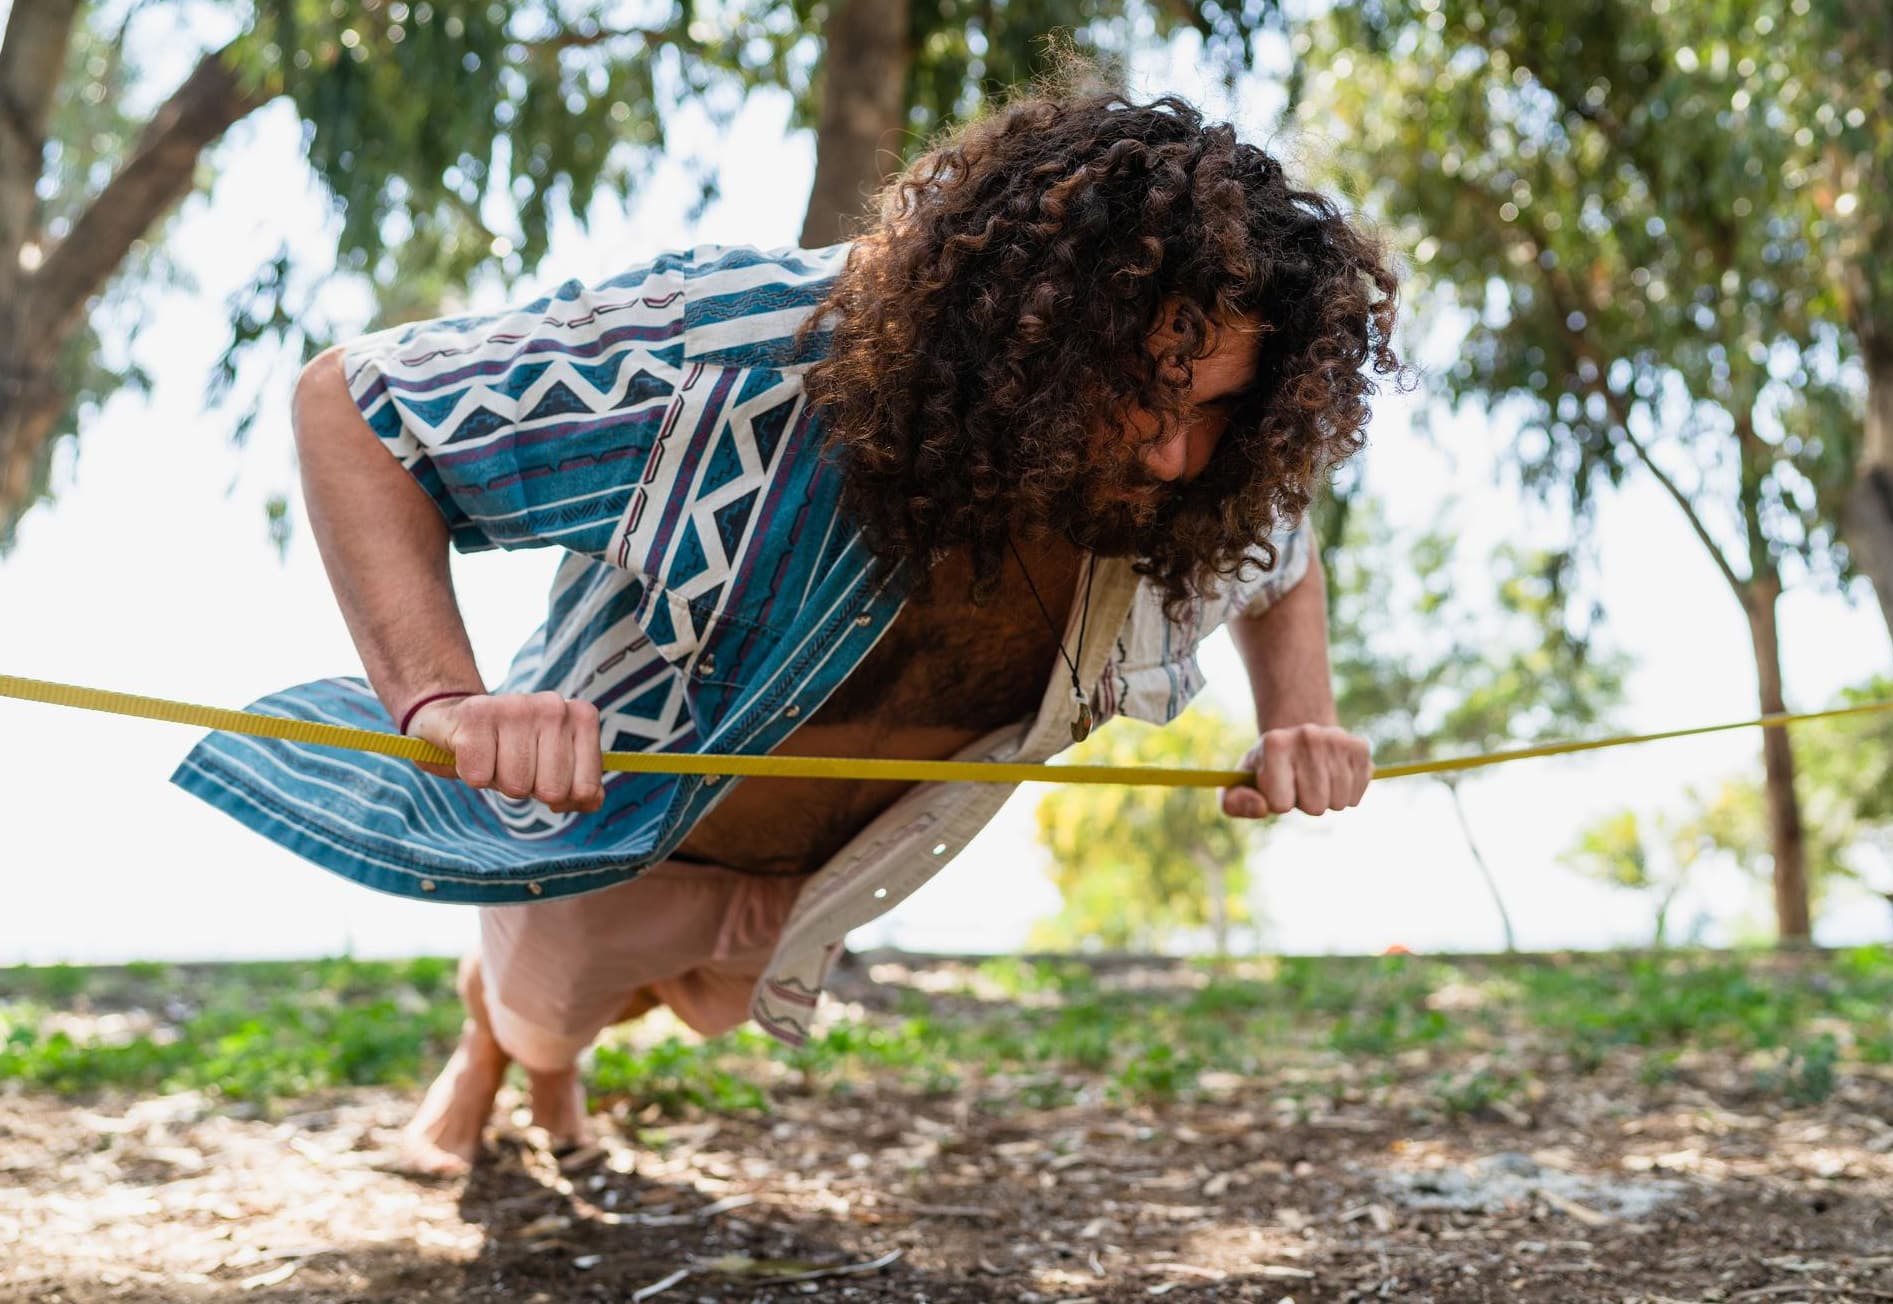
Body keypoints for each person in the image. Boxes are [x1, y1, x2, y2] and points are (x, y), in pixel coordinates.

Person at [173, 83, 1400, 1174]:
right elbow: (358, 408)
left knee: (679, 1006)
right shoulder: (736, 350)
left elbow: (1280, 553)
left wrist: (1302, 718)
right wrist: (443, 695)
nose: (1175, 455)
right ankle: (502, 1059)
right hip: (614, 834)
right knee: (546, 1016)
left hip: (832, 878)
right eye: (1140, 394)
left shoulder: (1195, 490)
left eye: (1216, 409)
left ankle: (531, 1050)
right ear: (1022, 335)